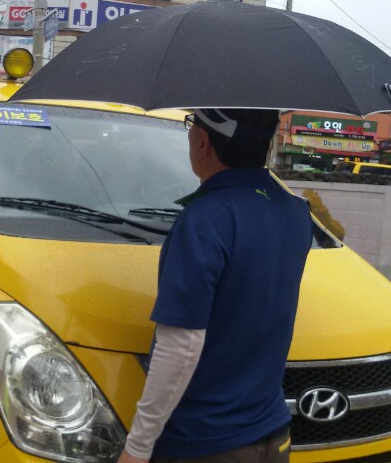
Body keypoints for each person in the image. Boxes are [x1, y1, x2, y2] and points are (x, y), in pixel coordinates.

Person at [119, 108, 312, 463]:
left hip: (206, 443)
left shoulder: (205, 219)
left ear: (203, 141)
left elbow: (181, 347)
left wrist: (138, 446)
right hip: (273, 434)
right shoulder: (295, 213)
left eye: (192, 125)